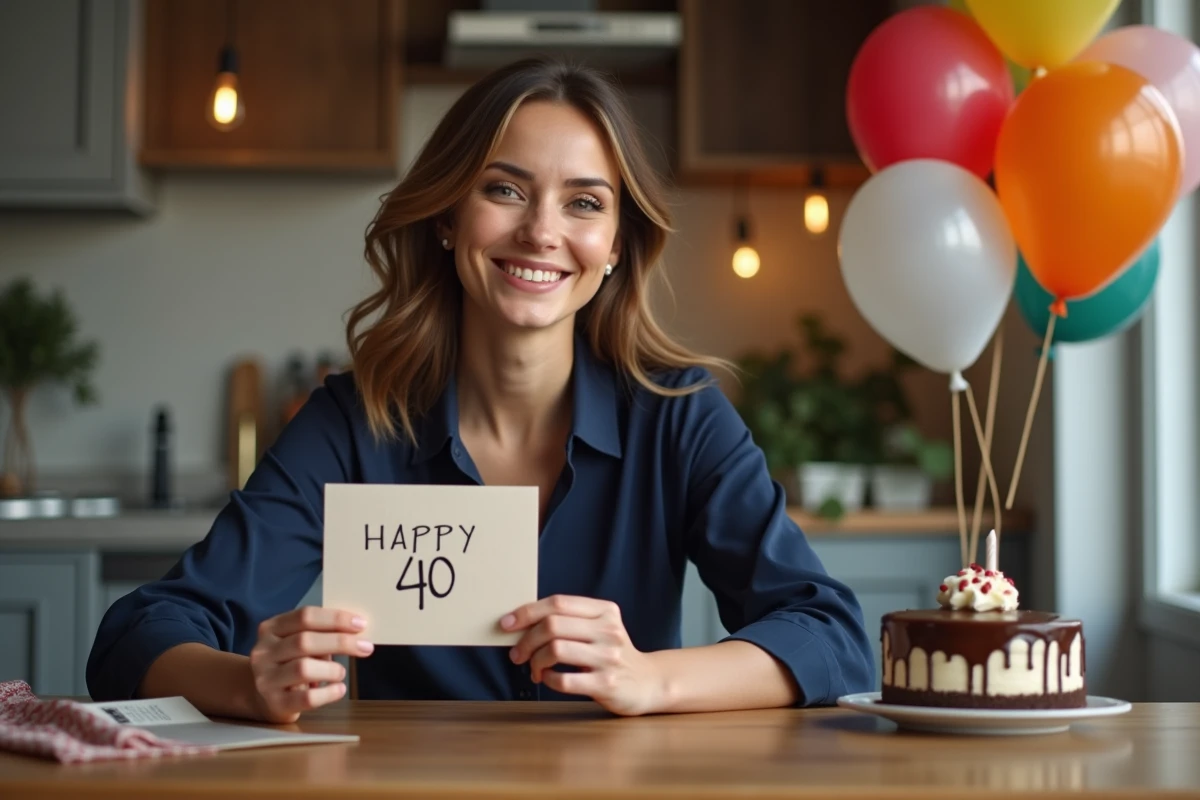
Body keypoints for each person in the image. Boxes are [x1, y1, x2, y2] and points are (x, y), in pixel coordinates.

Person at [87, 58, 874, 723]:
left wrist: (650, 678)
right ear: (446, 217)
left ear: (615, 248)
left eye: (585, 203)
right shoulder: (355, 425)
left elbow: (832, 633)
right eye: (504, 189)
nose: (540, 231)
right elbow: (135, 636)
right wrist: (248, 681)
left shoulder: (678, 417)